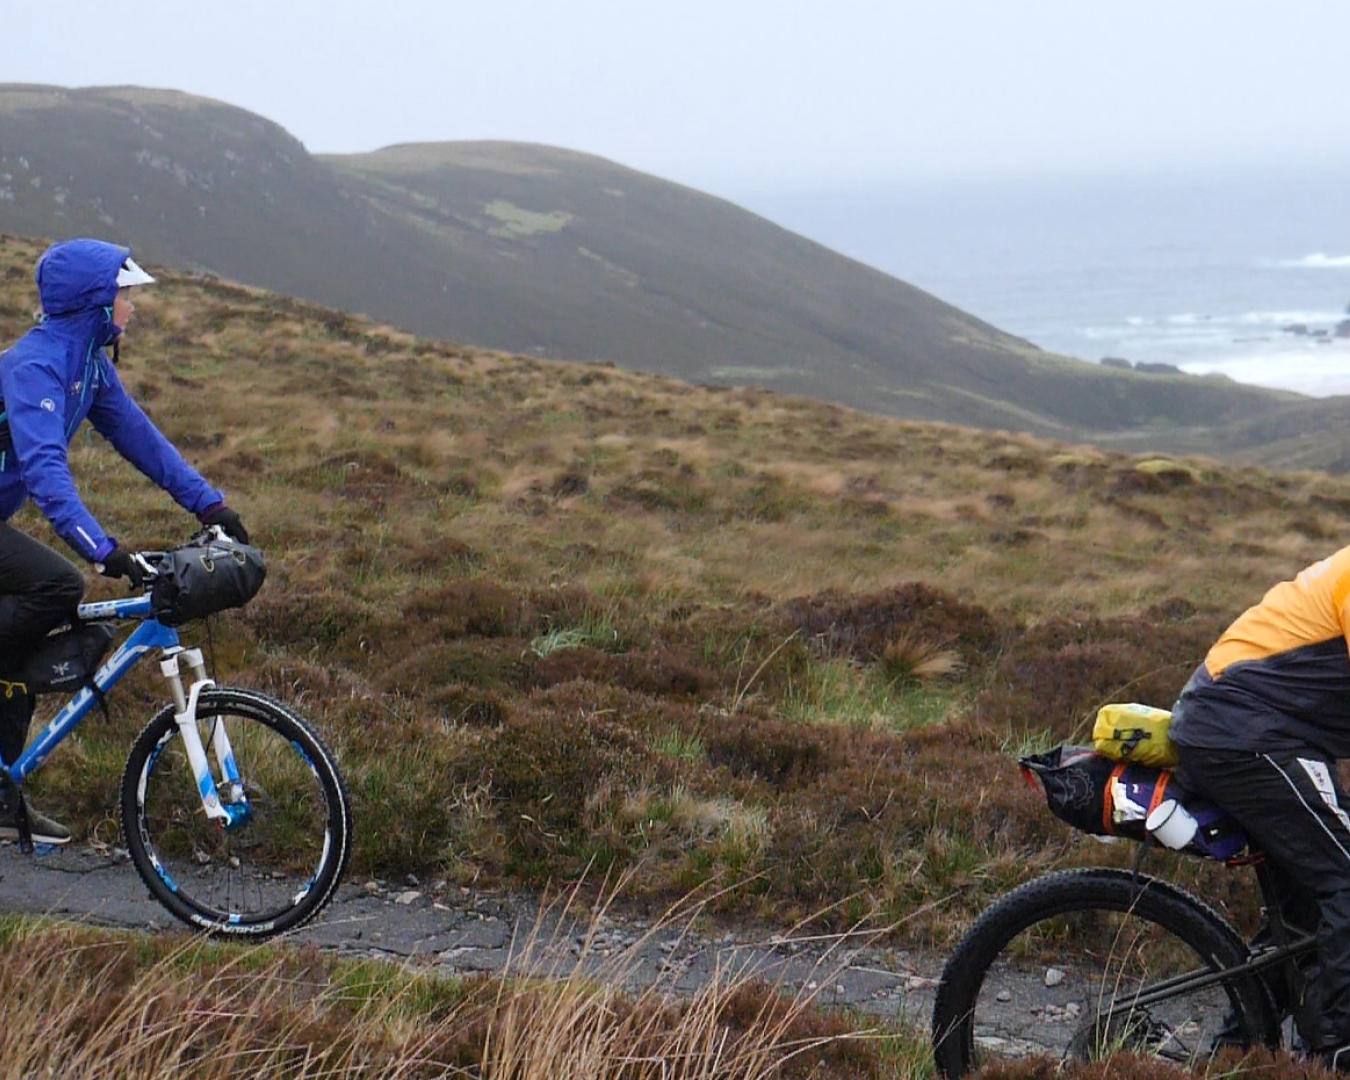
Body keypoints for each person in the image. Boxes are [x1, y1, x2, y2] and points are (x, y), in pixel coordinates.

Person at [0, 237, 248, 845]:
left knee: (19, 650)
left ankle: (2, 801)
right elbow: (43, 469)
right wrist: (102, 548)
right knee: (60, 584)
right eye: (124, 294)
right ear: (94, 302)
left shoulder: (88, 363)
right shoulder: (34, 366)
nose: (132, 307)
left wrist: (211, 503)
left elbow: (143, 441)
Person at [1171, 544, 1350, 1070]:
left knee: (1308, 897)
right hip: (1246, 733)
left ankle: (1239, 1048)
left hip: (1250, 728)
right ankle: (1337, 1051)